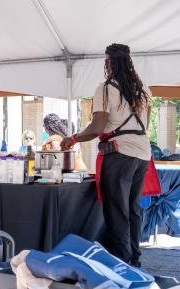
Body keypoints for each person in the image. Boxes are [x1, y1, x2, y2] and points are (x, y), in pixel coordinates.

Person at [60, 43, 153, 267]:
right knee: (133, 209)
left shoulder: (105, 88)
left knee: (117, 211)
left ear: (108, 62)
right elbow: (146, 125)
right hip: (142, 154)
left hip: (119, 153)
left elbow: (96, 128)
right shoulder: (144, 90)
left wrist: (72, 139)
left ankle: (122, 263)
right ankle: (135, 259)